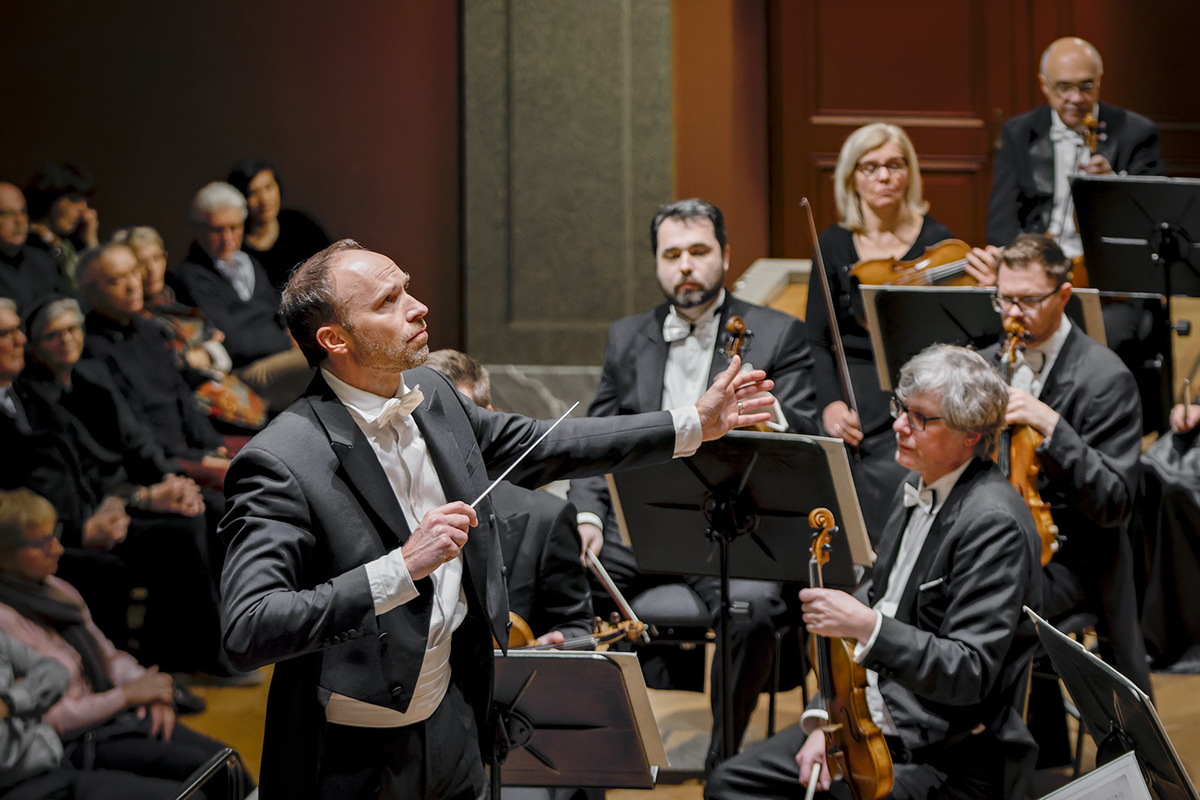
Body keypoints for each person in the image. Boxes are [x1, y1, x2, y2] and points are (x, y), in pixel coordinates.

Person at [217, 238, 773, 800]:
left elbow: (550, 444)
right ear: (335, 339)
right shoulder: (281, 459)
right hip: (352, 755)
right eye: (388, 301)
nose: (417, 306)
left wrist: (692, 425)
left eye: (407, 287)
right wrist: (401, 567)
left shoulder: (433, 393)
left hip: (456, 721)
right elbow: (248, 627)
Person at [705, 345, 1042, 800]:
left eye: (921, 418)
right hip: (866, 720)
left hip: (944, 749)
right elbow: (879, 601)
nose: (900, 426)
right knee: (729, 785)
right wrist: (825, 723)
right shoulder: (915, 485)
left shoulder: (993, 523)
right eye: (902, 409)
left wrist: (866, 626)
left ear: (971, 434)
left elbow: (969, 671)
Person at [568, 198, 817, 771]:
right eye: (672, 254)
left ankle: (722, 759)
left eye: (699, 252)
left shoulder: (778, 333)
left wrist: (771, 414)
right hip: (642, 524)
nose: (686, 266)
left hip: (729, 526)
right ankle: (595, 747)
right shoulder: (628, 337)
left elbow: (807, 438)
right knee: (560, 575)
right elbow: (597, 439)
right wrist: (586, 515)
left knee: (752, 606)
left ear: (726, 257)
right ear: (656, 263)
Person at [982, 233, 1149, 766]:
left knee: (990, 607)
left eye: (1028, 300)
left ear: (1064, 295)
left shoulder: (1105, 378)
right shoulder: (986, 365)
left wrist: (1053, 427)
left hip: (1077, 556)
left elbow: (1114, 503)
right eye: (1003, 298)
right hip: (1000, 544)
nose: (1013, 312)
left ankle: (1016, 764)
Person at [19, 296, 233, 674]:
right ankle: (188, 654)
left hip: (133, 488)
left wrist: (172, 479)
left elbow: (137, 441)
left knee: (213, 508)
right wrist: (145, 496)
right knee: (182, 531)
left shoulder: (93, 375)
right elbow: (81, 477)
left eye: (72, 329)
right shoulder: (36, 399)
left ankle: (219, 636)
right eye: (54, 335)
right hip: (103, 502)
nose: (67, 340)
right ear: (34, 349)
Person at [807, 123, 998, 544]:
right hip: (853, 376)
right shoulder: (834, 244)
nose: (884, 176)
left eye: (895, 165)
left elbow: (958, 338)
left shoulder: (938, 241)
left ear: (909, 172)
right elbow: (819, 340)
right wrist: (831, 405)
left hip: (914, 377)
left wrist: (991, 284)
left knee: (893, 459)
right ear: (851, 177)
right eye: (870, 167)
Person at [0, 489, 250, 798]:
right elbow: (53, 717)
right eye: (40, 543)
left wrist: (150, 688)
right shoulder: (5, 619)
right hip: (78, 739)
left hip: (113, 715)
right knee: (204, 783)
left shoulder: (55, 587)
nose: (57, 549)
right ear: (5, 553)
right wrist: (127, 696)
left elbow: (108, 655)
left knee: (229, 765)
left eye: (54, 536)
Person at [425, 348, 592, 647]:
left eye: (455, 418)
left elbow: (576, 625)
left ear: (489, 420)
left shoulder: (546, 517)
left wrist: (562, 640)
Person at [987, 37, 1163, 254]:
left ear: (1099, 81)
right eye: (1064, 87)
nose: (1076, 98)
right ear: (1044, 85)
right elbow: (1001, 223)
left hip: (1108, 257)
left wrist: (1113, 185)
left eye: (1086, 86)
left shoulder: (1137, 133)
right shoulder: (1019, 132)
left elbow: (1155, 217)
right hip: (1040, 259)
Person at [77, 243, 231, 475]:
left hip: (190, 450)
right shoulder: (90, 350)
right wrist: (199, 460)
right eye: (116, 280)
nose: (133, 285)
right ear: (90, 292)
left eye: (133, 272)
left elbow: (180, 392)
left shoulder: (150, 329)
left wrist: (212, 445)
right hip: (157, 463)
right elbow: (132, 429)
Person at [0, 627, 192, 800]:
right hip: (73, 742)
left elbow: (66, 668)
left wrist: (148, 684)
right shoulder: (6, 614)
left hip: (59, 756)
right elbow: (58, 718)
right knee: (195, 778)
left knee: (208, 774)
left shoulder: (60, 594)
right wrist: (125, 696)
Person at [171, 182, 313, 411]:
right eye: (217, 230)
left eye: (234, 228)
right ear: (198, 229)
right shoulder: (192, 275)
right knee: (326, 358)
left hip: (279, 356)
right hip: (245, 371)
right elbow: (234, 343)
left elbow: (279, 314)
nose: (228, 238)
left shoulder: (249, 263)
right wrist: (288, 341)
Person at [113, 225, 268, 432]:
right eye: (142, 263)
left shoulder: (172, 295)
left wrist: (206, 348)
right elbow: (174, 363)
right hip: (193, 402)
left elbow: (215, 336)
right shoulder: (132, 314)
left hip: (229, 381)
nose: (152, 270)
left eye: (157, 259)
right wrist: (194, 355)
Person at [228, 157, 333, 292]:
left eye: (269, 187)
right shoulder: (234, 245)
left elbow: (333, 260)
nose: (264, 200)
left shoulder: (299, 223)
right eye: (253, 193)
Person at [23, 162, 100, 290]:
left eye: (86, 203)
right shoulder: (29, 243)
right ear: (51, 198)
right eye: (74, 200)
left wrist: (91, 241)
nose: (84, 211)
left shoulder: (71, 244)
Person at [0, 183, 72, 315]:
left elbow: (71, 304)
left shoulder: (41, 260)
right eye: (6, 214)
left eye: (22, 212)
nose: (19, 221)